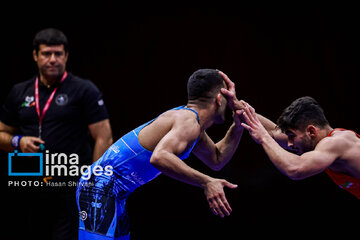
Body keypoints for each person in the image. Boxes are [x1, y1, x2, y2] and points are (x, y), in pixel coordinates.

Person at [77, 69, 244, 240]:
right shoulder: (188, 122)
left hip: (116, 192)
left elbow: (217, 159)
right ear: (218, 99)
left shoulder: (192, 125)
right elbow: (160, 157)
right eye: (227, 98)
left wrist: (237, 127)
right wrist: (206, 182)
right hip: (100, 186)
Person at [1, 28, 113, 240]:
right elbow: (2, 134)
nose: (53, 60)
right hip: (28, 183)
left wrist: (93, 183)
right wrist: (18, 141)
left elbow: (104, 137)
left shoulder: (84, 90)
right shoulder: (19, 92)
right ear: (35, 55)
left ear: (66, 56)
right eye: (46, 54)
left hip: (69, 186)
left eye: (58, 54)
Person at [220, 76, 360, 200]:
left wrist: (263, 138)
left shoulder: (336, 143)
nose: (289, 143)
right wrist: (235, 104)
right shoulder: (329, 143)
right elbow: (273, 133)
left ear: (311, 131)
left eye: (292, 136)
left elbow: (295, 169)